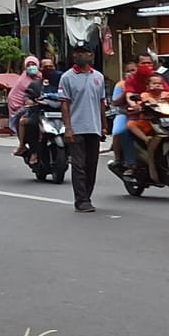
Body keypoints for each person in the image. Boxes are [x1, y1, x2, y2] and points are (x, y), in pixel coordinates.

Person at [58, 45, 108, 213]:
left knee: (91, 165)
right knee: (78, 165)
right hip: (76, 127)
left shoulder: (98, 77)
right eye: (76, 53)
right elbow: (64, 104)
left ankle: (87, 195)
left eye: (83, 53)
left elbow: (101, 102)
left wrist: (103, 126)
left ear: (90, 55)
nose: (79, 56)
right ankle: (81, 200)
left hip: (93, 127)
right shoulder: (67, 77)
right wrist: (68, 127)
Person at [9, 55, 40, 156]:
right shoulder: (23, 80)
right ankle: (22, 145)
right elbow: (28, 94)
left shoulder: (41, 77)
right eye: (29, 65)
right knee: (24, 121)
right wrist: (28, 101)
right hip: (20, 105)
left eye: (33, 64)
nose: (31, 67)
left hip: (39, 105)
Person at [109, 61, 137, 170]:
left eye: (133, 70)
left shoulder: (146, 82)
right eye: (128, 71)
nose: (130, 73)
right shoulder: (121, 85)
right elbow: (116, 102)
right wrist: (126, 91)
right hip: (125, 114)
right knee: (119, 131)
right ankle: (118, 159)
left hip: (142, 115)